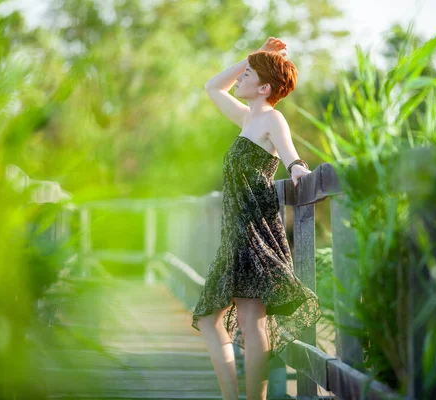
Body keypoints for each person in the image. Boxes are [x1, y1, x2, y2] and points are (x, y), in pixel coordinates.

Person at [191, 37, 322, 400]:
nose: (239, 79)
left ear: (264, 87)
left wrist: (297, 169)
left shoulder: (271, 119)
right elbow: (211, 86)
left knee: (248, 322)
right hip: (235, 235)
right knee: (211, 319)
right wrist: (256, 56)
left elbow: (291, 155)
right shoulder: (246, 117)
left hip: (254, 233)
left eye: (247, 74)